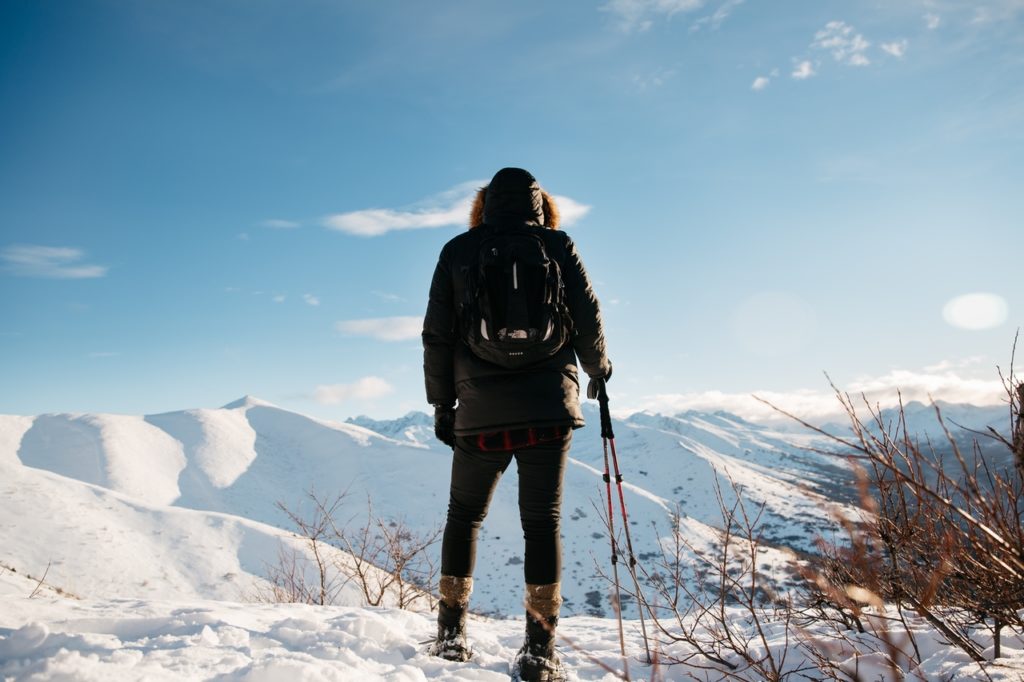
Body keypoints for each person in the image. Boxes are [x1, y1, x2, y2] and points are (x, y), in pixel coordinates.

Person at [422, 167, 612, 680]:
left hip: (478, 412)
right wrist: (598, 370)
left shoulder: (458, 250)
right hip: (547, 408)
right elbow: (587, 313)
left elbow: (436, 335)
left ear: (483, 207)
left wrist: (442, 404)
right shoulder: (558, 244)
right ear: (541, 207)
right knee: (542, 523)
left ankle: (451, 635)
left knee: (464, 517)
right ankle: (539, 651)